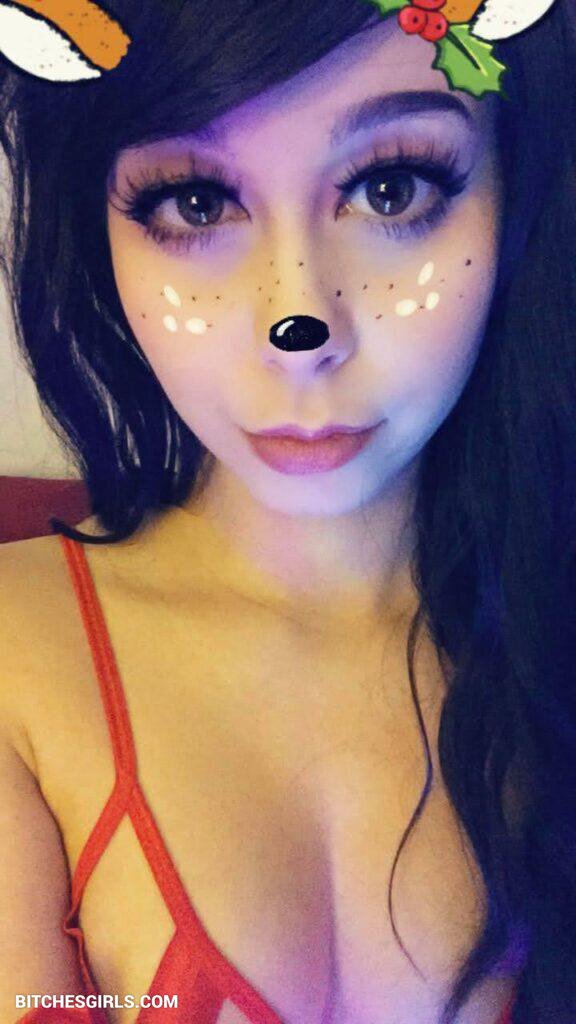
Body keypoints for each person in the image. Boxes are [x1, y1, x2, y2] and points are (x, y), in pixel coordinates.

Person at [0, 0, 574, 1021]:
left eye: (391, 188)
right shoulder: (18, 654)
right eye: (195, 203)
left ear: (516, 194)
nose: (298, 326)